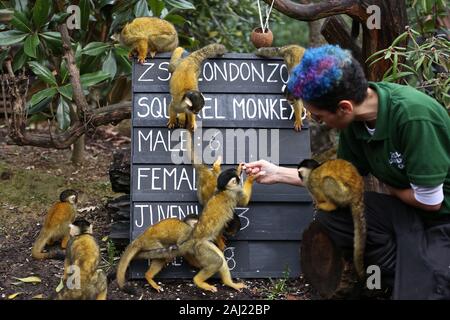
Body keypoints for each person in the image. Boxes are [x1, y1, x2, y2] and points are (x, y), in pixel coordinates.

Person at [244, 45, 450, 299]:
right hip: (408, 212)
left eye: (318, 117)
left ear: (344, 107)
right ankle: (401, 273)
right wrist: (277, 173)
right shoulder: (356, 122)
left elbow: (431, 202)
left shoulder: (413, 117)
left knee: (429, 290)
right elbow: (338, 180)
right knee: (335, 216)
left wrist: (385, 182)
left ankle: (420, 273)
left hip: (441, 217)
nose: (316, 121)